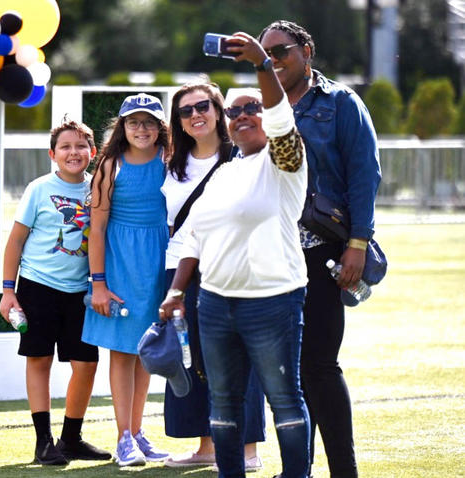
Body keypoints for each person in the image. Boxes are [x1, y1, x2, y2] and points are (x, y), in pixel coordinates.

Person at [160, 31, 311, 478]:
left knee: (284, 400)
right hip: (216, 306)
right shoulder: (226, 172)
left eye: (253, 109)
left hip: (273, 301)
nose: (243, 115)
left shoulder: (287, 161)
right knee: (223, 406)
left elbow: (283, 121)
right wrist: (174, 293)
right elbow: (191, 237)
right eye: (235, 111)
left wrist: (263, 63)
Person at [258, 20, 381, 478]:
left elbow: (365, 175)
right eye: (264, 53)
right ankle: (298, 469)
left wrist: (357, 244)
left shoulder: (341, 102)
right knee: (288, 372)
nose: (273, 61)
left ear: (307, 50)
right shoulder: (265, 106)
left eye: (281, 51)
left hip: (324, 250)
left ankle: (344, 471)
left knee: (321, 366)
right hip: (274, 255)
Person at [160, 81, 266, 472]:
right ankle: (207, 446)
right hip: (180, 270)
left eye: (202, 106)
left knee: (241, 358)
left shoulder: (241, 156)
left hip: (233, 267)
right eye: (185, 111)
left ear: (219, 110)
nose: (195, 115)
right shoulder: (170, 163)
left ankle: (248, 449)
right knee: (192, 357)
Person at [0, 119, 111, 466]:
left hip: (81, 293)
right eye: (65, 146)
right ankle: (43, 442)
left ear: (92, 153)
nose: (73, 152)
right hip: (37, 287)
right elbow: (16, 240)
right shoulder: (39, 189)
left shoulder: (99, 189)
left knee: (87, 364)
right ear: (53, 154)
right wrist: (8, 291)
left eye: (81, 146)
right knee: (39, 359)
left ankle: (72, 438)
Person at [81, 93, 171, 467]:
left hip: (159, 262)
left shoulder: (171, 161)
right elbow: (97, 228)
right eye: (133, 122)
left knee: (147, 353)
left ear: (161, 127)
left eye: (149, 122)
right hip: (121, 264)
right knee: (122, 351)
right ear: (122, 127)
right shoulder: (109, 165)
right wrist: (98, 283)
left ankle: (137, 432)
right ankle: (123, 438)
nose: (141, 128)